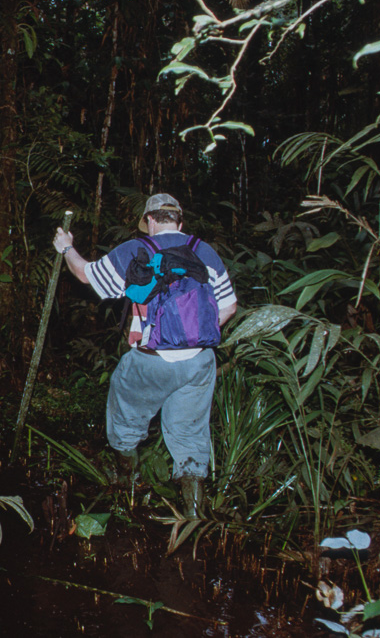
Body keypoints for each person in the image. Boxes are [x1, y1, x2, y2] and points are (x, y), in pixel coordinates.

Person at [53, 193, 237, 518]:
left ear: (150, 220)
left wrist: (67, 248)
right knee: (189, 435)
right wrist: (192, 335)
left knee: (125, 423)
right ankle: (193, 519)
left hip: (150, 360)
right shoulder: (204, 251)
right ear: (179, 221)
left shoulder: (136, 250)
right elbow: (229, 306)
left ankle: (127, 496)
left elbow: (84, 274)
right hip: (199, 362)